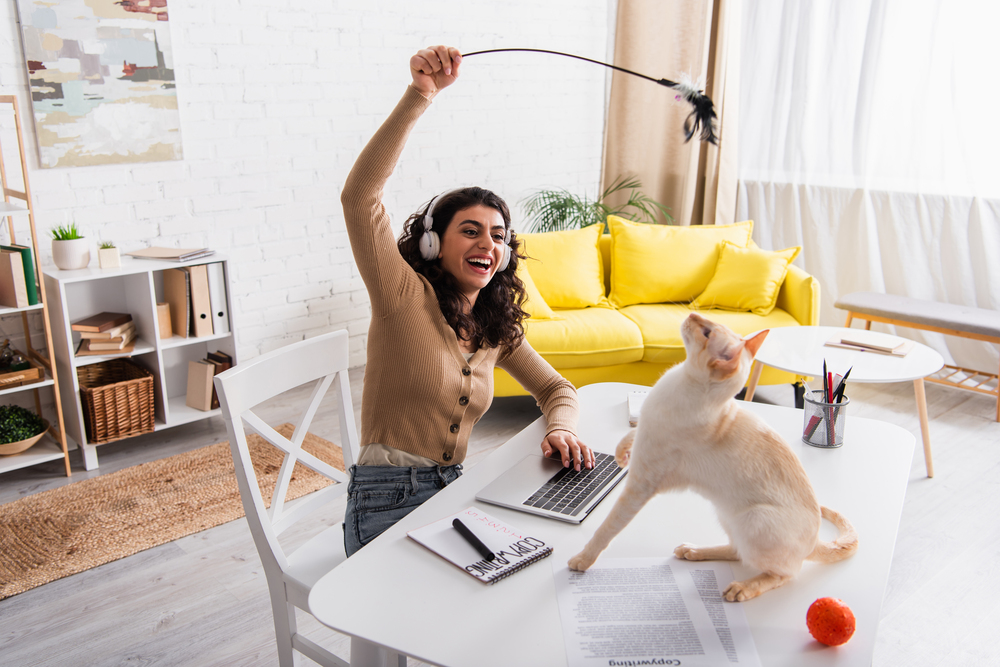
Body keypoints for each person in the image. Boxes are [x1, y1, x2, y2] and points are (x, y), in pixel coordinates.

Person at [340, 45, 595, 557]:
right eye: (471, 231)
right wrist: (420, 95)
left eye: (498, 235)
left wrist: (562, 430)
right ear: (435, 242)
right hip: (385, 500)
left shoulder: (492, 326)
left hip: (454, 490)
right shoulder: (402, 294)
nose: (488, 244)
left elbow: (556, 388)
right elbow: (360, 197)